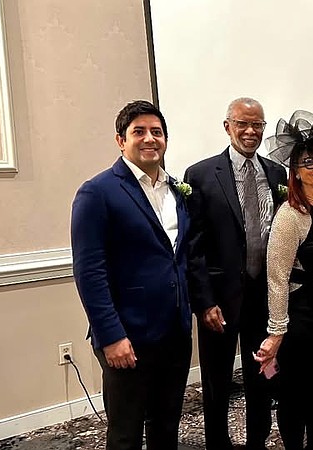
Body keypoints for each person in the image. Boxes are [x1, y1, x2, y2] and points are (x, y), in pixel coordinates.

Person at [71, 100, 211, 450]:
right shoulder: (97, 192)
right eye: (139, 132)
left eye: (157, 132)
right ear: (121, 140)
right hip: (128, 335)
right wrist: (111, 336)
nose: (150, 139)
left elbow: (182, 256)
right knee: (125, 433)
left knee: (166, 426)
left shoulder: (177, 190)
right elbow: (90, 272)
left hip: (174, 333)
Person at [183, 97, 287, 450]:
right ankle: (217, 442)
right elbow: (192, 245)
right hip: (219, 299)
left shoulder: (276, 174)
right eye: (242, 123)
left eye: (257, 124)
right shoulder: (200, 175)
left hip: (262, 295)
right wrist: (204, 301)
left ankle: (257, 440)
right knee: (217, 381)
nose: (250, 131)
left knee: (262, 373)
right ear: (227, 126)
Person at [254, 110, 313, 450]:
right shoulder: (290, 215)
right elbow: (277, 278)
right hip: (301, 320)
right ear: (295, 171)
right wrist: (277, 330)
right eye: (310, 162)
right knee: (296, 397)